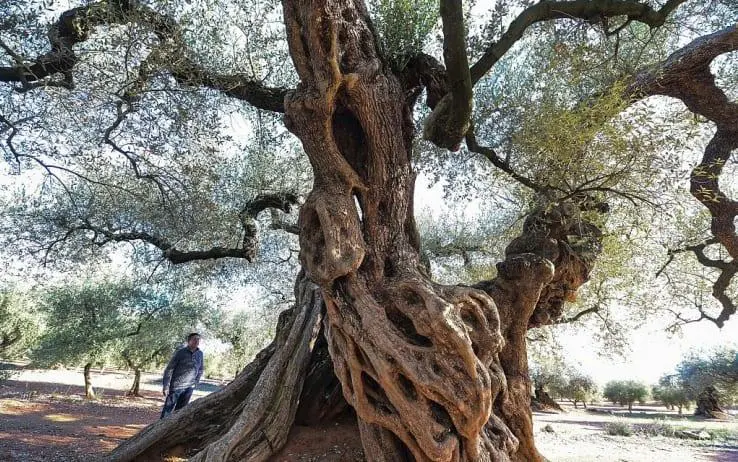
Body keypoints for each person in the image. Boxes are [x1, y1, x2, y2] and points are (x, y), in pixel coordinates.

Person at [160, 332, 204, 419]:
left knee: (180, 412)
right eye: (194, 339)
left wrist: (196, 381)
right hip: (176, 387)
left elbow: (201, 369)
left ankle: (172, 430)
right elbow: (169, 369)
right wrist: (165, 385)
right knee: (167, 411)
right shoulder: (180, 352)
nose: (197, 341)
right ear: (189, 341)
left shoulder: (200, 354)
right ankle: (158, 429)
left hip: (189, 388)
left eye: (198, 339)